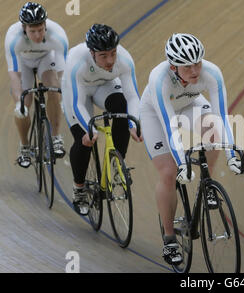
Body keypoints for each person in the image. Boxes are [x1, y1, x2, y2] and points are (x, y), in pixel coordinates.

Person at [139, 33, 244, 265]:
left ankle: (207, 184)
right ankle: (169, 240)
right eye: (187, 66)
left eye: (197, 63)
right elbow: (170, 128)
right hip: (156, 116)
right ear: (173, 66)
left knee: (214, 131)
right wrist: (182, 164)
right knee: (169, 173)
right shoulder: (159, 80)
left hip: (190, 104)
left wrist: (231, 154)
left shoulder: (212, 73)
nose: (195, 70)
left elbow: (222, 117)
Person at [62, 24, 142, 215]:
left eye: (113, 53)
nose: (110, 60)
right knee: (84, 139)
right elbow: (76, 104)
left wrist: (134, 123)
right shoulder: (76, 63)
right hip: (77, 93)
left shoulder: (124, 60)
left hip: (103, 86)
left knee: (122, 110)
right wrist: (90, 130)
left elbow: (132, 97)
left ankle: (117, 165)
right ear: (92, 52)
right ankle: (79, 188)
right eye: (104, 56)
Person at [5, 2, 68, 168]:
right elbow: (14, 76)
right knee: (23, 106)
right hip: (22, 64)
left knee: (54, 90)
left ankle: (55, 137)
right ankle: (25, 146)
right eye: (32, 31)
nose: (38, 35)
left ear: (45, 25)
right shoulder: (13, 39)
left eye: (40, 30)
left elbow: (63, 73)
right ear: (24, 28)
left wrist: (62, 98)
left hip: (46, 60)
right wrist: (20, 103)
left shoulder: (58, 35)